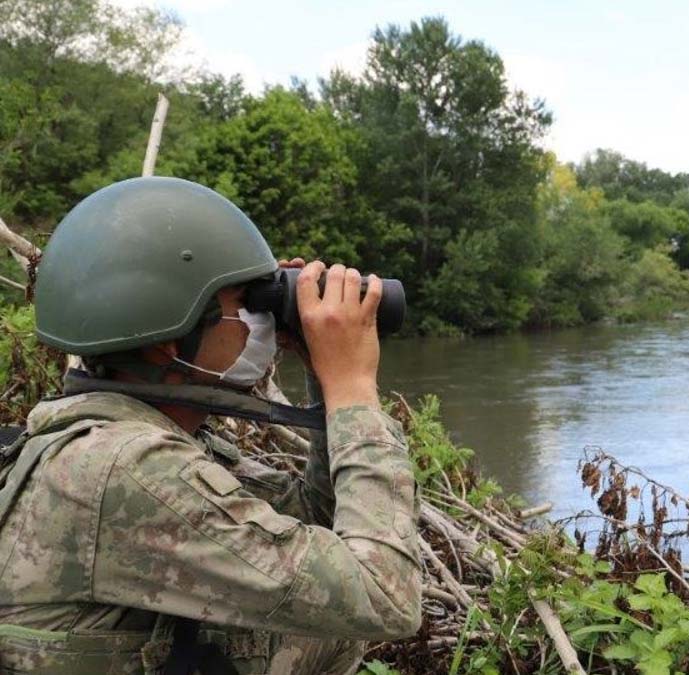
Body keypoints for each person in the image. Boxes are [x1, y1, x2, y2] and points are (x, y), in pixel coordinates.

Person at [0, 177, 423, 674]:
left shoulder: (131, 429)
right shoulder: (125, 467)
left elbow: (316, 520)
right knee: (330, 625)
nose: (261, 320)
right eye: (244, 302)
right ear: (168, 341)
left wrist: (320, 376)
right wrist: (353, 388)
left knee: (322, 632)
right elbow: (384, 595)